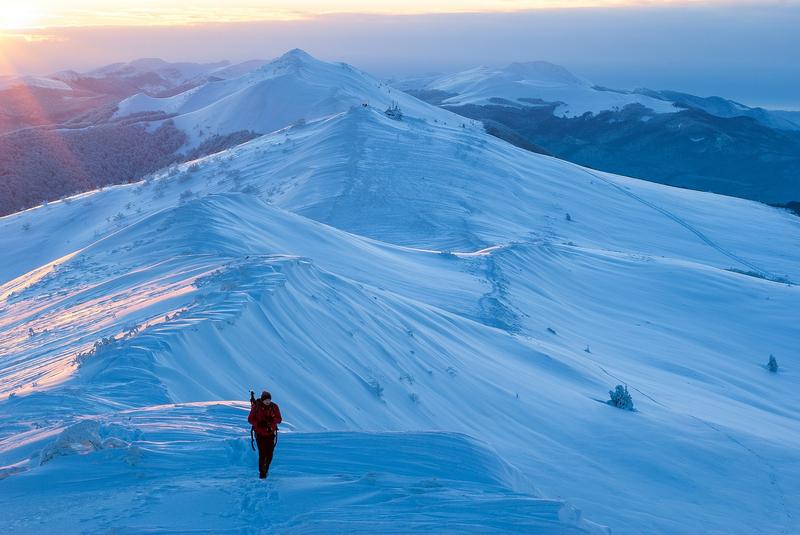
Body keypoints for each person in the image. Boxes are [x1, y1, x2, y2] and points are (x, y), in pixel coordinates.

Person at [247, 390, 282, 479]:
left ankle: (266, 469)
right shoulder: (256, 407)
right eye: (266, 400)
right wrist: (258, 424)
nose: (268, 401)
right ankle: (262, 474)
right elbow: (250, 419)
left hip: (270, 434)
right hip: (260, 434)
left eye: (269, 400)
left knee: (269, 454)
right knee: (262, 454)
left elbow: (279, 419)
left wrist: (272, 420)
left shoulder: (274, 407)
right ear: (262, 400)